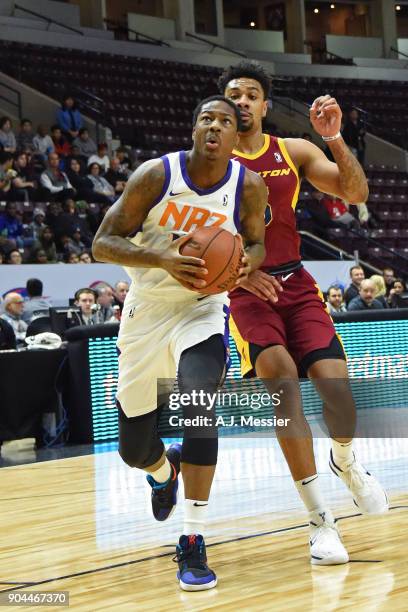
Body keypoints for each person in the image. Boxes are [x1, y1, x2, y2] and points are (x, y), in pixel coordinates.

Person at [92, 95, 268, 591]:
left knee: (197, 399)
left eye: (226, 121)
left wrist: (244, 264)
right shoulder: (155, 176)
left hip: (203, 308)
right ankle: (163, 472)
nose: (215, 127)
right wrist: (164, 260)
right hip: (148, 308)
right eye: (207, 119)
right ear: (193, 130)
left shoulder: (247, 187)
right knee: (133, 450)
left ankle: (193, 538)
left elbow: (255, 243)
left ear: (237, 136)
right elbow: (102, 243)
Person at [220, 60, 387, 566]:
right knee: (282, 382)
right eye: (234, 95)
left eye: (252, 94)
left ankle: (345, 461)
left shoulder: (290, 151)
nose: (243, 101)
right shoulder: (207, 163)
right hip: (245, 290)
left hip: (296, 280)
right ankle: (320, 523)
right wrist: (240, 274)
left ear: (266, 106)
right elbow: (191, 236)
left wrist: (335, 139)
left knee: (336, 390)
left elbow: (355, 193)